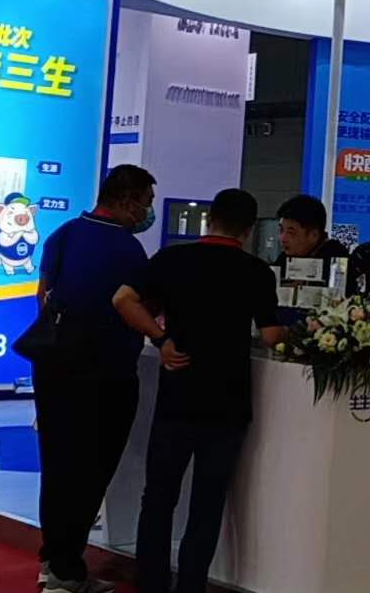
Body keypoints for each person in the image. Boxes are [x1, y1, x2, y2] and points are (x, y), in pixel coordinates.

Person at [112, 188, 284, 593]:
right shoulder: (256, 271)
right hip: (228, 402)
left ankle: (152, 583)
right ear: (248, 229)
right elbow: (272, 336)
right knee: (208, 502)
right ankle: (191, 585)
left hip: (178, 395)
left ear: (210, 219)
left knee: (159, 496)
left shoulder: (171, 259)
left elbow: (123, 300)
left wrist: (161, 339)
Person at [32, 164, 156, 593]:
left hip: (54, 365)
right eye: (146, 203)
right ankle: (65, 571)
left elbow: (42, 296)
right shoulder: (128, 250)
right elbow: (136, 308)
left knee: (58, 465)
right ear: (128, 201)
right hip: (105, 371)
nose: (147, 212)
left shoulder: (63, 234)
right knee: (90, 471)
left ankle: (55, 561)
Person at [276, 193, 348, 282]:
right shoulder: (284, 259)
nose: (283, 238)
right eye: (281, 230)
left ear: (313, 235)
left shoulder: (336, 260)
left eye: (291, 233)